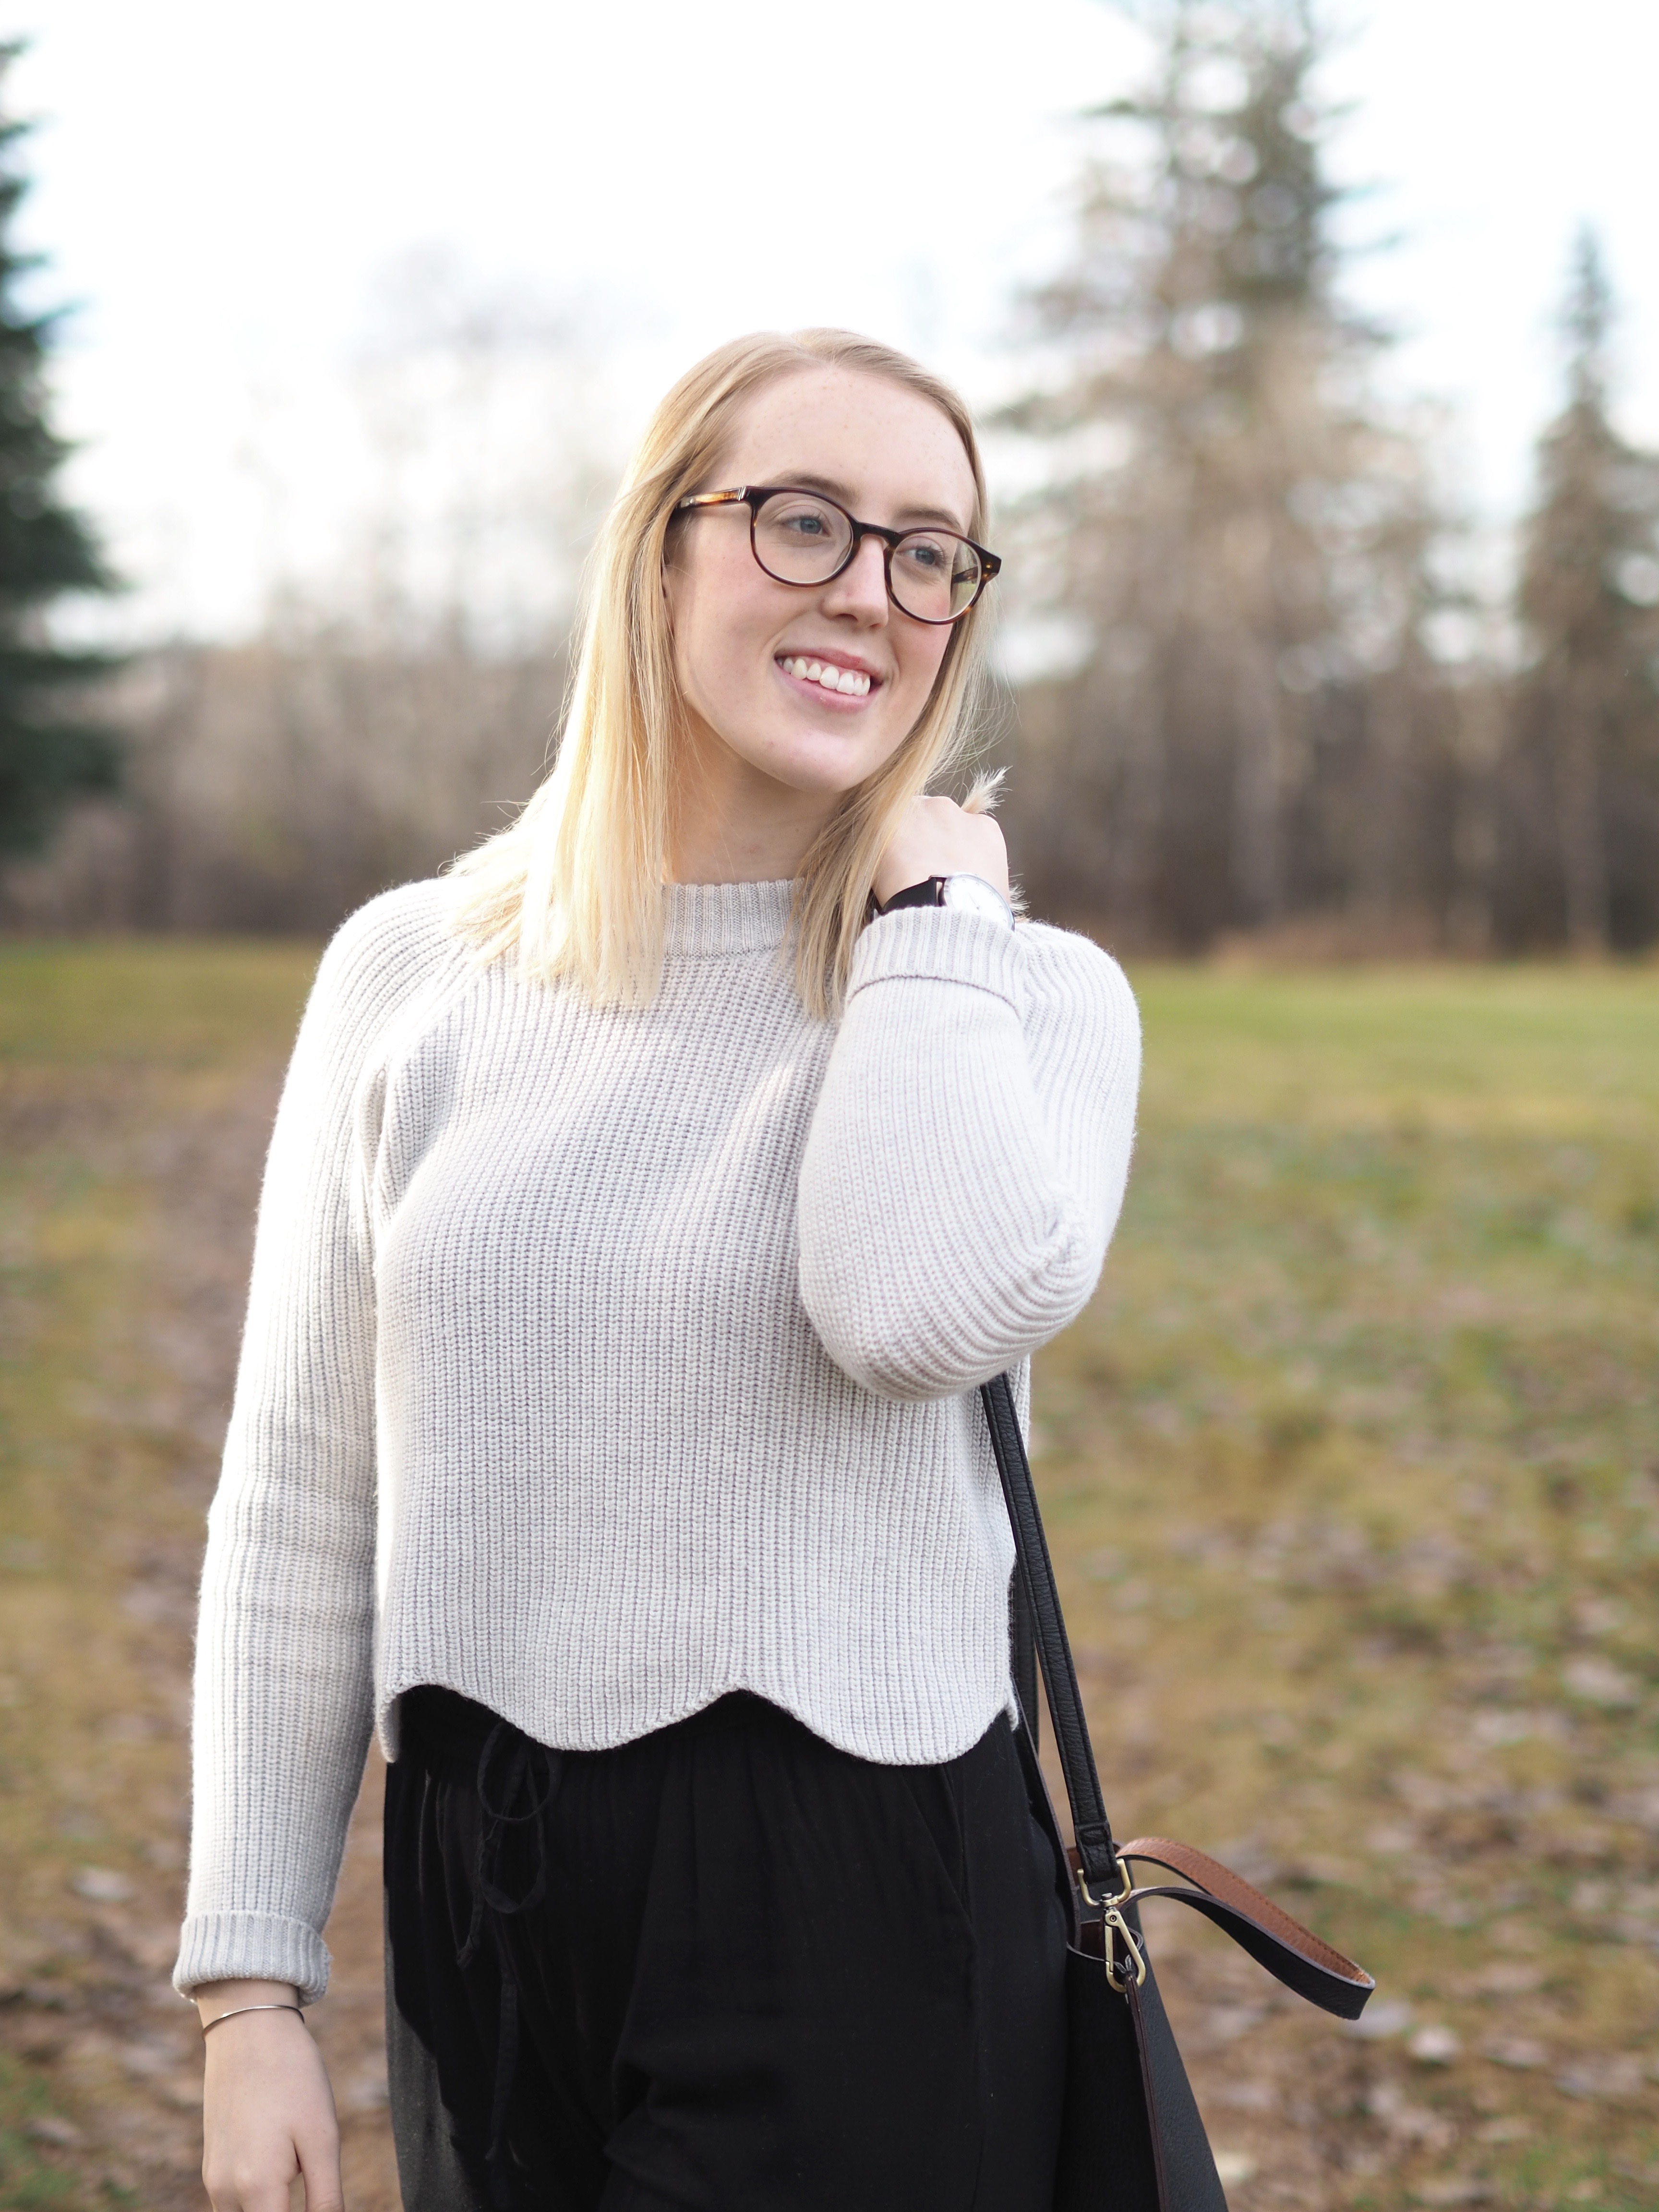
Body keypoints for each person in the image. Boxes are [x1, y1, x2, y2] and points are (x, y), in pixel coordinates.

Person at [177, 327, 1141, 2212]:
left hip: (858, 1900)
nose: (871, 589)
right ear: (662, 554)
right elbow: (300, 1494)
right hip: (484, 1898)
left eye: (930, 550)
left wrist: (933, 926)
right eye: (804, 523)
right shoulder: (411, 971)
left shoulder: (1023, 1004)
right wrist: (248, 1987)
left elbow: (911, 1306)